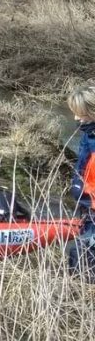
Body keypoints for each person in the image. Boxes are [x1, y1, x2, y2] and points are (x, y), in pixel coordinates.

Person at [67, 85, 95, 278]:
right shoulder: (88, 133)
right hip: (86, 201)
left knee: (84, 248)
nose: (76, 119)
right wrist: (77, 184)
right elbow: (82, 163)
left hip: (92, 201)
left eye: (81, 114)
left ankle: (82, 283)